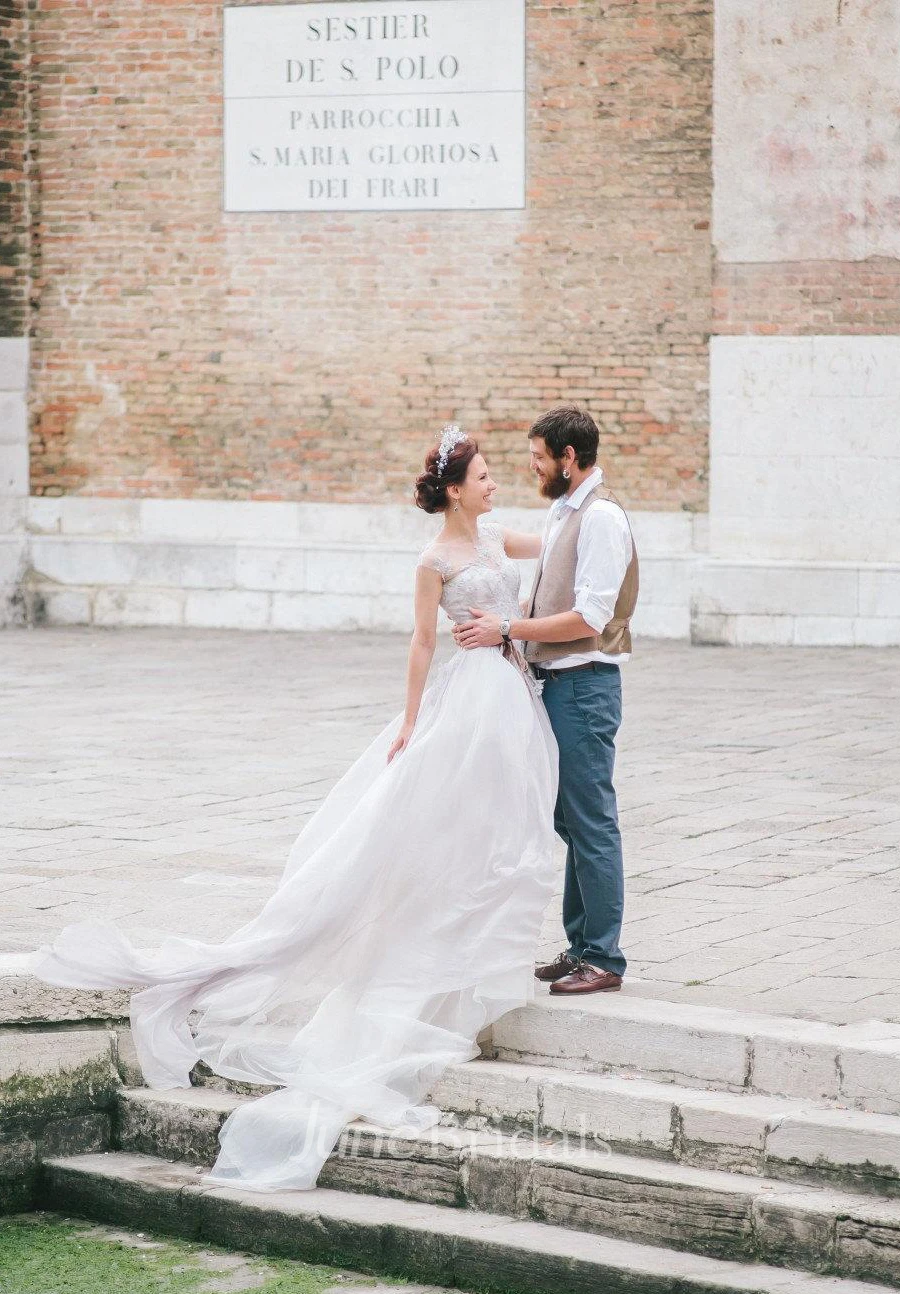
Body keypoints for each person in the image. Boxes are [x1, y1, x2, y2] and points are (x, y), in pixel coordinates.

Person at [24, 426, 558, 1193]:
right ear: (452, 489)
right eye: (483, 475)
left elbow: (560, 546)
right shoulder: (433, 560)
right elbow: (418, 644)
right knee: (458, 831)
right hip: (470, 698)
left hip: (512, 699)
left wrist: (594, 518)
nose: (494, 483)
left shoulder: (504, 540)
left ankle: (486, 938)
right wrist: (409, 722)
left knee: (510, 832)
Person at [454, 406, 638, 996]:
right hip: (558, 684)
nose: (531, 467)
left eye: (538, 457)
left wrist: (509, 628)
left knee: (591, 821)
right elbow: (532, 562)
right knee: (568, 818)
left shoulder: (602, 517)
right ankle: (581, 944)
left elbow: (591, 616)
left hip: (585, 684)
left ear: (568, 457)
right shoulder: (565, 511)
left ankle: (603, 958)